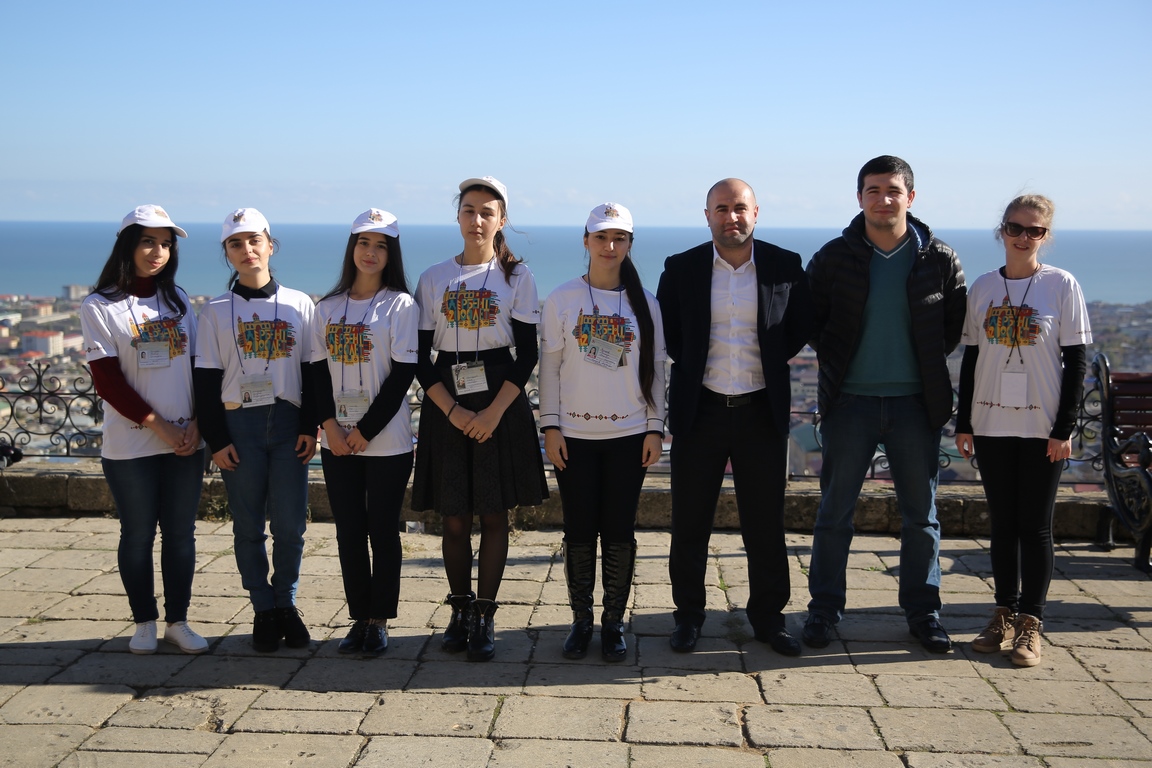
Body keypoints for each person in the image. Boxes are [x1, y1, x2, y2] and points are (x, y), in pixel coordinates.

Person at [804, 156, 967, 653]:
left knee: (922, 517)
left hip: (915, 404)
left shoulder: (939, 258)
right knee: (834, 514)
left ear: (910, 198)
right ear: (859, 198)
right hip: (848, 402)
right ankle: (823, 611)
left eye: (893, 190)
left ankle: (924, 613)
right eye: (873, 190)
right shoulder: (834, 256)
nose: (883, 199)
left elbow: (951, 328)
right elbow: (812, 321)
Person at [656, 179, 813, 656]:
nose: (732, 217)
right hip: (700, 409)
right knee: (689, 523)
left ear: (756, 212)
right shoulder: (681, 267)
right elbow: (670, 333)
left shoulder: (784, 265)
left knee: (765, 525)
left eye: (740, 208)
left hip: (760, 410)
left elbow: (798, 326)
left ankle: (769, 620)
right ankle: (688, 617)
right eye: (721, 209)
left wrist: (768, 361)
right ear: (707, 216)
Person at [412, 177, 548, 661]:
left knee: (494, 515)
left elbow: (527, 353)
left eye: (487, 212)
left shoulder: (518, 277)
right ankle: (459, 609)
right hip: (446, 395)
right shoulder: (433, 277)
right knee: (453, 518)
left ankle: (485, 615)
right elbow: (419, 357)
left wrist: (492, 413)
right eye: (469, 210)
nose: (477, 220)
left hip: (499, 396)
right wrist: (450, 409)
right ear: (458, 217)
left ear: (501, 220)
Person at [955, 195, 1090, 667]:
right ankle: (1002, 614)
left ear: (1045, 236)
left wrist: (1064, 427)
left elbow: (1077, 362)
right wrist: (965, 421)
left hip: (1042, 425)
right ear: (1002, 230)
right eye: (1015, 227)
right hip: (991, 422)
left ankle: (1031, 622)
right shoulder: (984, 287)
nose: (1023, 237)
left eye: (1034, 230)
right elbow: (972, 357)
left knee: (1034, 526)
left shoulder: (1061, 285)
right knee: (1002, 524)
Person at [540, 203, 666, 661]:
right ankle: (581, 621)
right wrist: (550, 426)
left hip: (629, 435)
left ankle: (613, 623)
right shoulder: (562, 299)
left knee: (618, 530)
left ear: (629, 244)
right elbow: (550, 368)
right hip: (573, 436)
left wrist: (655, 428)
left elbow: (657, 370)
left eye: (619, 238)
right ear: (586, 241)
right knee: (578, 529)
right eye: (601, 237)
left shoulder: (646, 303)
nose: (610, 247)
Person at [80, 205, 208, 655]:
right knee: (137, 534)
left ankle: (178, 621)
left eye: (166, 244)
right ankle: (144, 621)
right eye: (148, 242)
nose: (158, 251)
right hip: (132, 444)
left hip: (186, 440)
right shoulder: (99, 305)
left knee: (181, 534)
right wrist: (161, 427)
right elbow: (108, 380)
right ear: (128, 246)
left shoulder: (178, 300)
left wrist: (196, 423)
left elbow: (199, 366)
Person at [193, 208, 318, 653]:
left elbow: (313, 371)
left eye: (254, 240)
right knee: (247, 526)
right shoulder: (214, 312)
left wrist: (309, 427)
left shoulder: (300, 304)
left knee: (290, 525)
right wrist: (217, 440)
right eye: (235, 243)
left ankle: (286, 603)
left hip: (287, 423)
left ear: (270, 245)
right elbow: (205, 380)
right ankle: (262, 607)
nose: (246, 249)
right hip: (238, 425)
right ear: (227, 253)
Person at [311, 209, 418, 657]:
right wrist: (330, 429)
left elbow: (402, 375)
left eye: (380, 246)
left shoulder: (401, 305)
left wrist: (366, 431)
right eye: (363, 243)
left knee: (383, 530)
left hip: (387, 441)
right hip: (337, 441)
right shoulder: (327, 308)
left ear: (391, 254)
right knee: (349, 532)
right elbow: (316, 374)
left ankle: (380, 620)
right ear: (351, 248)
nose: (370, 253)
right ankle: (358, 617)